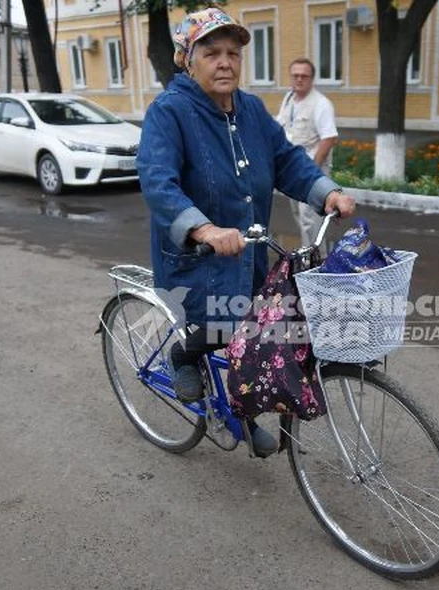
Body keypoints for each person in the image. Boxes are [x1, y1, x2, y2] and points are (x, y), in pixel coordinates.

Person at [136, 8, 355, 456]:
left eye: (232, 53)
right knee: (232, 327)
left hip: (248, 254)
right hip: (196, 262)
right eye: (211, 52)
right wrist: (202, 227)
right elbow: (158, 182)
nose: (225, 62)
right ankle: (184, 356)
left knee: (264, 331)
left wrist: (325, 192)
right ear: (187, 59)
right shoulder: (169, 112)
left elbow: (286, 161)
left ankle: (240, 407)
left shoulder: (251, 109)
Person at [276, 58, 339, 253]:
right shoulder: (289, 99)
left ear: (312, 78)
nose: (299, 79)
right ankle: (309, 259)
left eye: (304, 76)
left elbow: (329, 138)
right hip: (294, 171)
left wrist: (312, 170)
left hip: (312, 173)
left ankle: (317, 266)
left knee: (311, 223)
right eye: (295, 75)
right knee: (300, 218)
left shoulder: (321, 103)